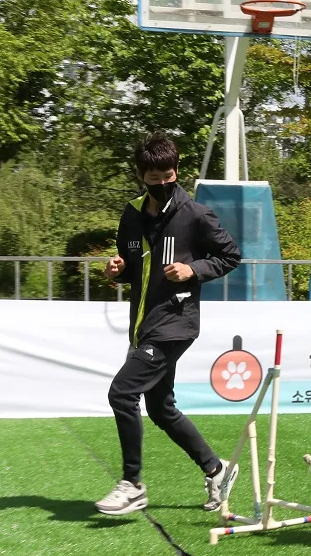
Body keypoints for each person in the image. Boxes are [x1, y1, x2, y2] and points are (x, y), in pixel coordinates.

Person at [97, 132, 242, 516]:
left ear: (176, 171)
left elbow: (230, 255)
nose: (163, 183)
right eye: (154, 178)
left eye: (169, 175)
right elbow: (135, 272)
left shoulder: (194, 213)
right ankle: (216, 469)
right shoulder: (130, 215)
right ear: (140, 175)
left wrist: (192, 269)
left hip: (175, 323)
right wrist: (117, 271)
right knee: (161, 409)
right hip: (144, 323)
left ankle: (132, 484)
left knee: (121, 393)